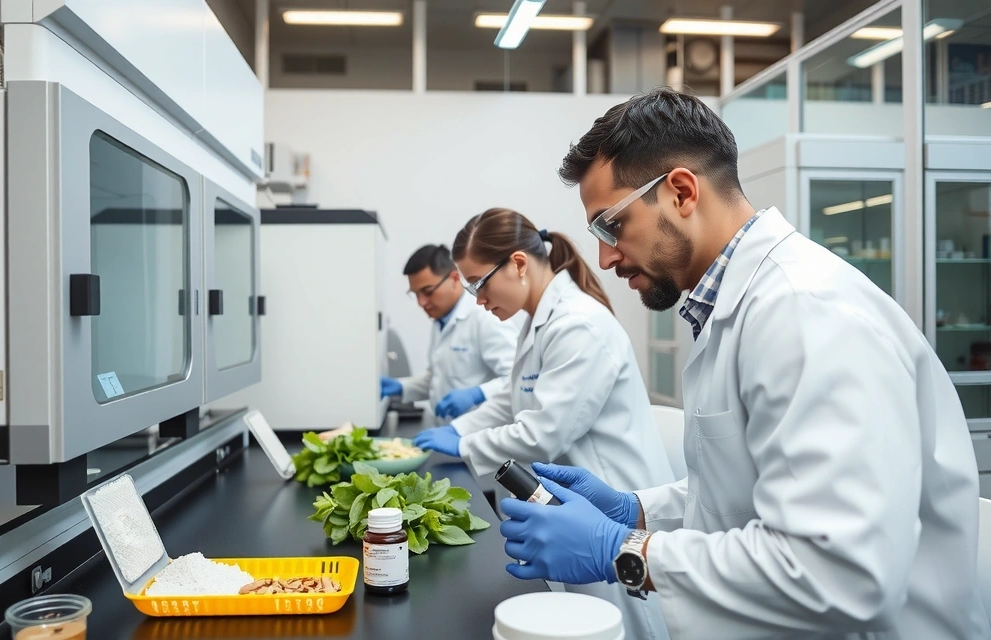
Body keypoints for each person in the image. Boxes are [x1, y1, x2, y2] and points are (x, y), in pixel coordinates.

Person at [498, 87, 991, 640]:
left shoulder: (806, 313)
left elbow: (842, 575)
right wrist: (631, 509)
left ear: (682, 191)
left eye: (610, 226)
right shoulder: (736, 306)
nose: (605, 257)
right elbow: (746, 491)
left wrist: (623, 551)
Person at [414, 209, 674, 640]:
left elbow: (542, 431)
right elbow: (513, 398)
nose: (477, 299)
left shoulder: (578, 324)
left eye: (480, 283)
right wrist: (460, 431)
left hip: (610, 514)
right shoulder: (539, 322)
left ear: (518, 263)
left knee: (622, 626)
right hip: (569, 512)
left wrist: (464, 446)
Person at [381, 244, 518, 422]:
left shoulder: (485, 318)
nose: (421, 303)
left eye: (428, 292)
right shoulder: (441, 321)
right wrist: (401, 386)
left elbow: (517, 377)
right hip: (448, 433)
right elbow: (438, 378)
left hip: (480, 437)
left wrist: (478, 394)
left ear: (454, 279)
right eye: (415, 294)